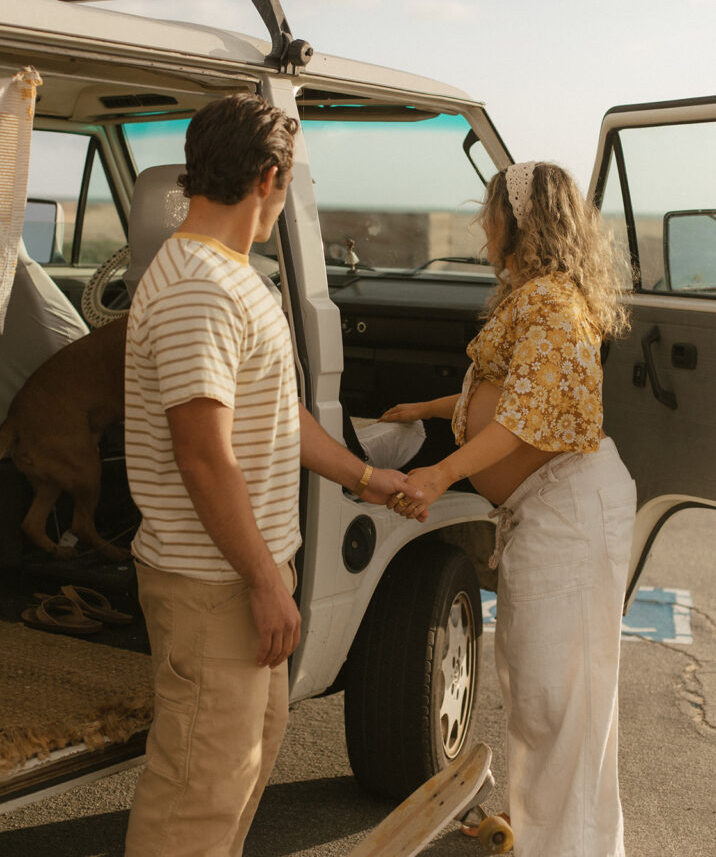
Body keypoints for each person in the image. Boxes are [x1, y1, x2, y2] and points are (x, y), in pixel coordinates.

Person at [123, 94, 422, 857]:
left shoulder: (229, 276)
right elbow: (203, 453)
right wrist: (263, 580)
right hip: (213, 583)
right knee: (196, 796)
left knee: (236, 770)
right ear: (268, 177)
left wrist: (364, 476)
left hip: (239, 575)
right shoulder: (200, 287)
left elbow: (279, 418)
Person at [381, 161, 634, 857]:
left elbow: (522, 418)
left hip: (568, 508)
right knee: (544, 702)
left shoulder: (551, 303)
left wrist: (439, 473)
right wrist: (432, 409)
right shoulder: (537, 299)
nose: (482, 225)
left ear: (521, 224)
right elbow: (510, 387)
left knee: (560, 705)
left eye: (490, 212)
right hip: (550, 508)